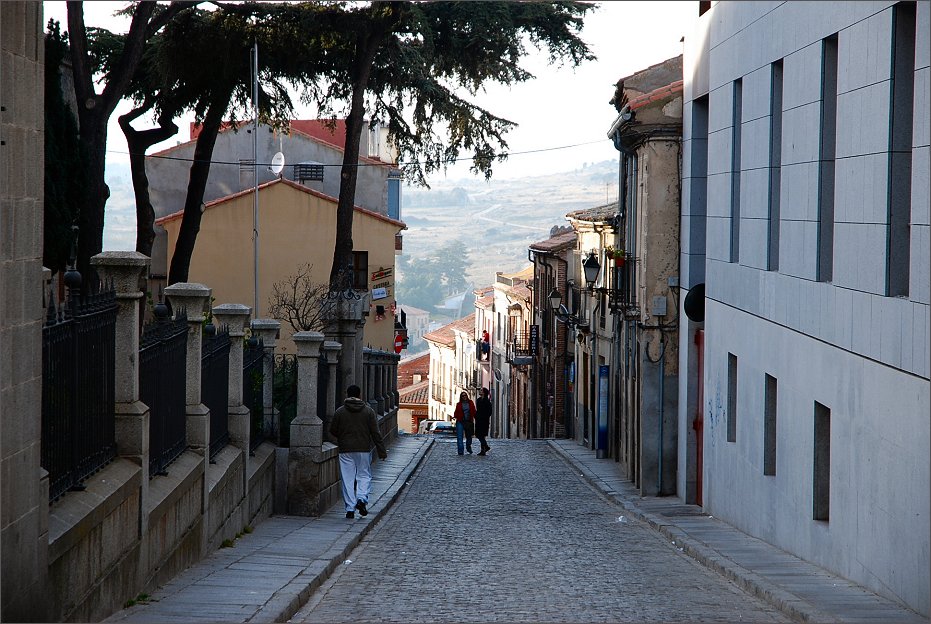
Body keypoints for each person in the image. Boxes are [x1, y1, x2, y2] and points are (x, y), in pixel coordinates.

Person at [328, 384, 388, 519]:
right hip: (363, 449)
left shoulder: (340, 412)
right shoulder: (368, 411)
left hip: (345, 449)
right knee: (364, 475)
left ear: (347, 394)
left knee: (348, 478)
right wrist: (381, 451)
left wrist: (342, 436)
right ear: (360, 395)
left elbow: (333, 430)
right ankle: (361, 499)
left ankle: (350, 508)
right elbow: (375, 433)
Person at [453, 391, 477, 455]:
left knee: (469, 437)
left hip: (468, 422)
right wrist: (455, 416)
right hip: (460, 421)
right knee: (459, 437)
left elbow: (474, 411)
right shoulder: (459, 404)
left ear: (467, 396)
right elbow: (456, 412)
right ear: (461, 397)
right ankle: (461, 451)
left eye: (465, 395)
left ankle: (468, 447)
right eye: (463, 396)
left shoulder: (471, 403)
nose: (464, 397)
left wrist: (477, 418)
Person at [475, 387, 492, 455]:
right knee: (478, 435)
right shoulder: (478, 400)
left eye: (481, 390)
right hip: (478, 420)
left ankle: (483, 450)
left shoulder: (487, 401)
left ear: (484, 392)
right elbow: (478, 410)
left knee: (482, 435)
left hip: (484, 421)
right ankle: (485, 447)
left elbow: (490, 411)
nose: (480, 391)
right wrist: (476, 416)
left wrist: (485, 417)